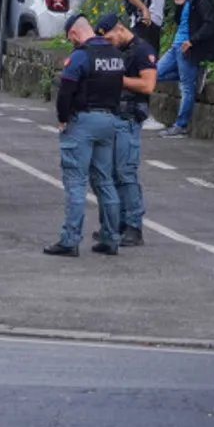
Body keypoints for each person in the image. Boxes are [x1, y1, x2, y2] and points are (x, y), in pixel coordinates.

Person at [44, 14, 126, 257]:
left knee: (76, 182)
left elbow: (66, 90)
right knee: (105, 180)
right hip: (109, 121)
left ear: (74, 34)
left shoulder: (81, 56)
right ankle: (111, 238)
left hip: (83, 122)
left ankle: (70, 240)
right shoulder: (115, 55)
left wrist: (62, 118)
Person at [93, 13, 157, 247]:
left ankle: (133, 226)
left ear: (119, 29)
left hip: (128, 118)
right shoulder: (116, 50)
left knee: (125, 172)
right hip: (111, 116)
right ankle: (115, 224)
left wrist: (116, 79)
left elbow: (148, 85)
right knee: (108, 173)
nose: (108, 44)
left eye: (109, 39)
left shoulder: (141, 50)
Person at [157, 0, 214, 139]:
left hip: (186, 47)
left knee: (186, 87)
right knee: (154, 74)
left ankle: (180, 125)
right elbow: (180, 21)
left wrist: (192, 41)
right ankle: (196, 74)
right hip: (175, 46)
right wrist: (178, 5)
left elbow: (210, 23)